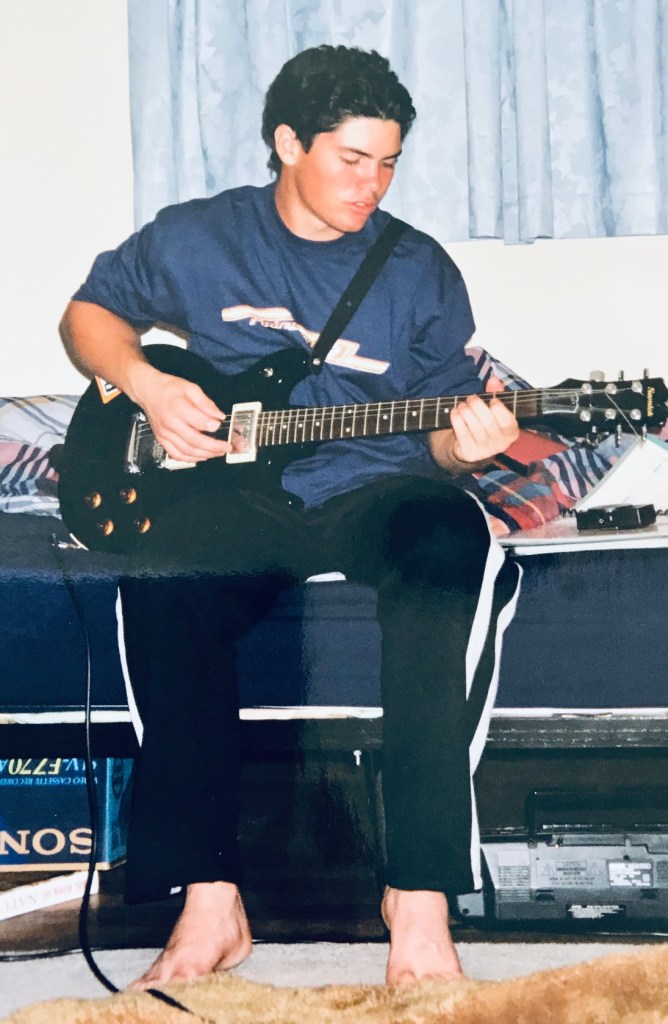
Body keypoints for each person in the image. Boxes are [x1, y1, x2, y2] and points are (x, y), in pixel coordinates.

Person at [60, 45, 521, 988]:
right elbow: (87, 316)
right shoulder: (198, 237)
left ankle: (420, 898)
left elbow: (441, 438)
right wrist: (147, 384)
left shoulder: (418, 269)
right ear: (287, 143)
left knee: (452, 540)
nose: (372, 184)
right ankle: (209, 901)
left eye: (388, 163)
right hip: (235, 494)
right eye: (352, 159)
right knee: (165, 570)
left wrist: (468, 449)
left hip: (377, 488)